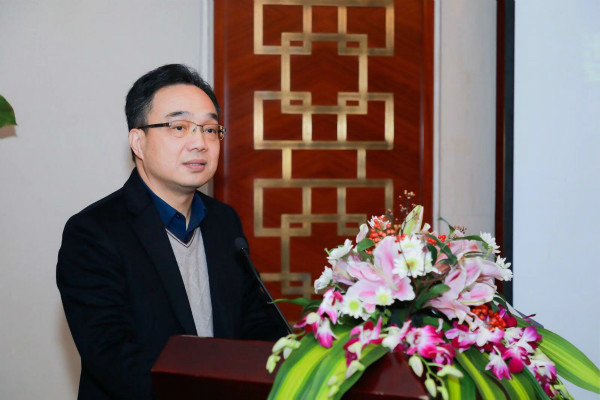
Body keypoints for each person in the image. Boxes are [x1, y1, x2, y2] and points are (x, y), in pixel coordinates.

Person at [57, 64, 288, 400]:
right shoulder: (93, 233)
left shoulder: (224, 223)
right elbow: (114, 359)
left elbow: (258, 325)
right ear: (138, 142)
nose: (200, 143)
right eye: (179, 127)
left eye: (210, 129)